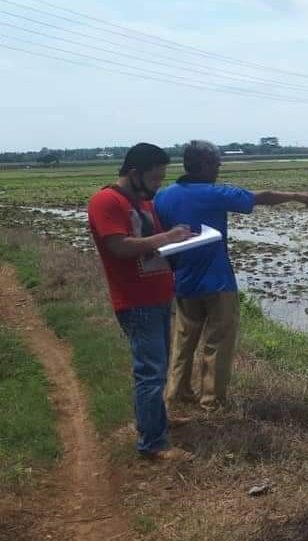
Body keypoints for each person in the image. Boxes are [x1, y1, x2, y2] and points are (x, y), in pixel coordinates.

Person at [154, 140, 308, 413]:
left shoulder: (164, 196)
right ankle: (212, 402)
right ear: (203, 165)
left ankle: (176, 394)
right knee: (218, 341)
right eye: (216, 164)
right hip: (217, 282)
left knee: (183, 340)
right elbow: (260, 197)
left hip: (183, 280)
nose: (218, 169)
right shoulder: (214, 193)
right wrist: (296, 196)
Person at [87, 143, 195, 461]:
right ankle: (153, 444)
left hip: (158, 296)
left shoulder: (143, 202)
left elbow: (156, 245)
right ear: (134, 174)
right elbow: (119, 247)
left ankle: (155, 418)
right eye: (155, 178)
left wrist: (179, 240)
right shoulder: (106, 200)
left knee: (156, 369)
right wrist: (167, 237)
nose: (158, 184)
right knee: (150, 371)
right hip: (136, 301)